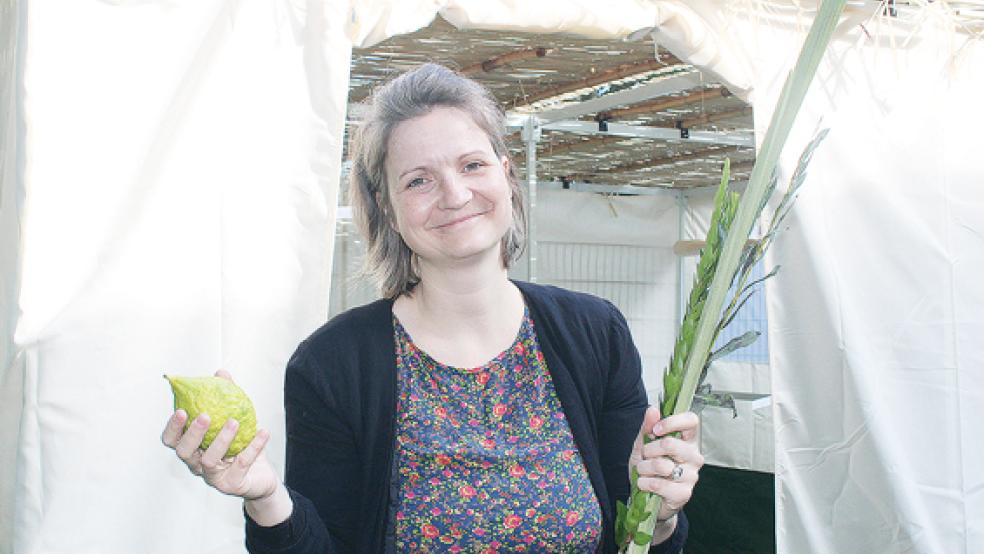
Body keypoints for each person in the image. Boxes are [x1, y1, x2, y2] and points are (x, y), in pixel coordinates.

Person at [162, 63, 704, 553]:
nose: (454, 194)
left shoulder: (594, 333)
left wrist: (659, 511)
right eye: (419, 180)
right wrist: (265, 496)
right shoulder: (332, 364)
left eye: (472, 165)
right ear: (387, 209)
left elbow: (638, 540)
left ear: (506, 174)